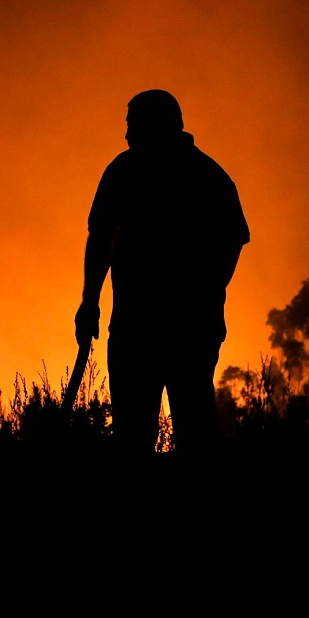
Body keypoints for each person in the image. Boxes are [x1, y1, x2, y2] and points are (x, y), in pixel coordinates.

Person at [75, 89, 250, 454]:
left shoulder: (140, 172)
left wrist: (90, 302)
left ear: (157, 126)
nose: (127, 135)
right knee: (168, 432)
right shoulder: (200, 174)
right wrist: (89, 302)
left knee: (163, 434)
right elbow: (101, 241)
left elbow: (232, 241)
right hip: (163, 328)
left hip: (161, 329)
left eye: (133, 125)